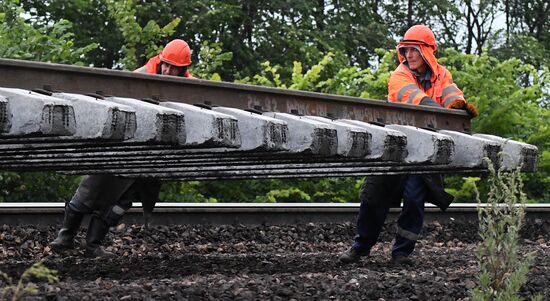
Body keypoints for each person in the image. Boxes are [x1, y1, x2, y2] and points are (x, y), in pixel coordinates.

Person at [339, 25, 478, 265]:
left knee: (414, 198)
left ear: (427, 52)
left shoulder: (442, 74)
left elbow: (452, 94)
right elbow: (418, 102)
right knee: (373, 196)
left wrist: (458, 107)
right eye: (405, 50)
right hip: (393, 148)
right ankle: (360, 248)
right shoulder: (399, 75)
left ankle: (401, 253)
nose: (408, 55)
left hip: (423, 152)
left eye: (413, 50)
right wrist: (447, 115)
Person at [50, 39, 195, 257]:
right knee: (91, 188)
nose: (167, 70)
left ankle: (93, 245)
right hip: (124, 144)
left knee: (123, 201)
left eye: (173, 67)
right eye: (165, 64)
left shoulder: (189, 85)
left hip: (149, 153)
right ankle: (65, 237)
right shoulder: (142, 75)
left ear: (183, 70)